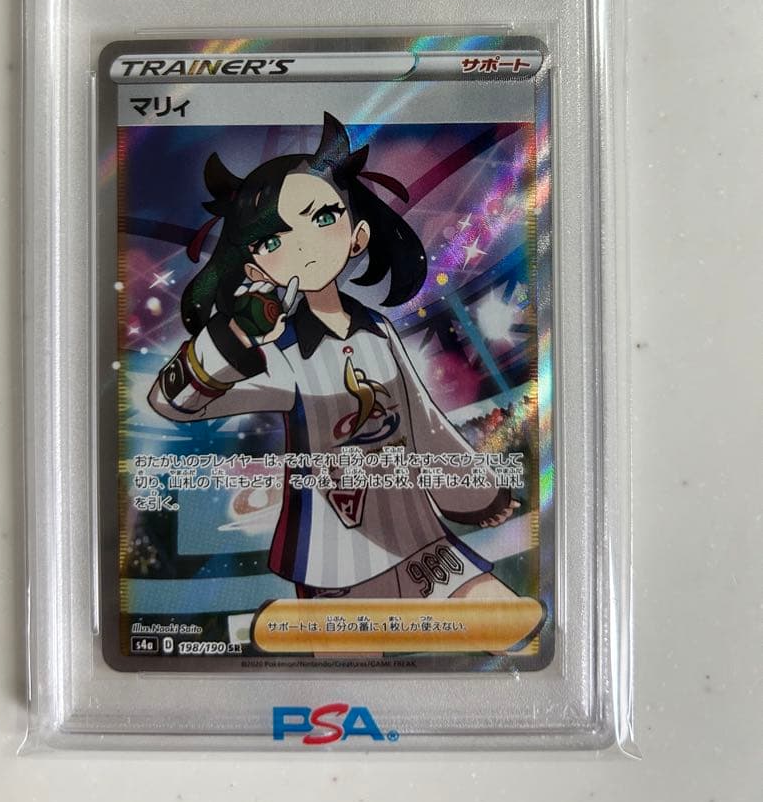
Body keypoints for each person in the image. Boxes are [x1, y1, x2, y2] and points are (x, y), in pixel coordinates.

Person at [149, 113, 523, 602]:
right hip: (337, 565)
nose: (304, 245)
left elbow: (425, 424)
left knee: (502, 617)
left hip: (420, 541)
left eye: (322, 218)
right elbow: (173, 402)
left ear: (357, 235)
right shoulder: (279, 355)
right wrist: (235, 335)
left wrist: (474, 493)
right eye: (273, 239)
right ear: (255, 264)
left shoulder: (378, 331)